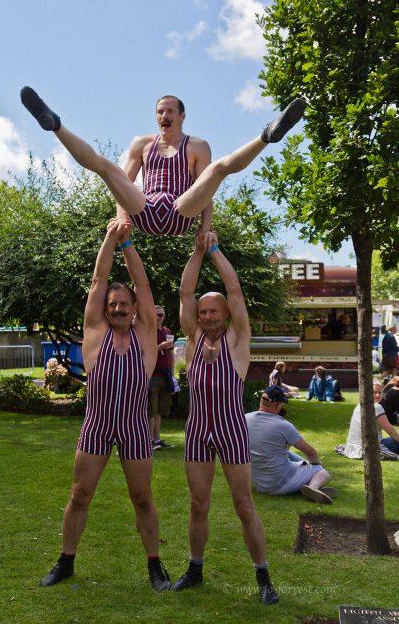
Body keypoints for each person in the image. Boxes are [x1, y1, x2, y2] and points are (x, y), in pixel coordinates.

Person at [40, 220, 171, 591]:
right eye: (112, 304)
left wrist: (128, 244)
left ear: (134, 309)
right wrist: (109, 239)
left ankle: (154, 566)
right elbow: (98, 282)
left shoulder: (146, 338)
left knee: (143, 497)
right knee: (79, 494)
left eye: (123, 304)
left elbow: (142, 285)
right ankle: (66, 562)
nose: (116, 308)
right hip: (96, 427)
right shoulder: (95, 336)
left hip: (133, 430)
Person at [21, 87, 305, 239]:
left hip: (180, 212)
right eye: (159, 111)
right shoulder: (141, 144)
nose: (163, 115)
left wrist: (205, 228)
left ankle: (267, 135)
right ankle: (55, 124)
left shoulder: (197, 146)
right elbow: (123, 182)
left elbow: (205, 192)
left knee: (218, 170)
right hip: (144, 209)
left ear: (182, 116)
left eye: (169, 111)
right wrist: (122, 217)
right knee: (105, 167)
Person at [174, 231, 279, 605]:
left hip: (232, 431)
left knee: (244, 505)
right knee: (198, 504)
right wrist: (196, 252)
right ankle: (195, 568)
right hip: (199, 432)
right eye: (203, 313)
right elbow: (185, 293)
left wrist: (215, 249)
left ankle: (263, 577)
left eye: (212, 312)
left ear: (224, 314)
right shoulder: (192, 338)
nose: (206, 317)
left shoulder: (238, 338)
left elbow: (234, 289)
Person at [246, 386, 335, 503]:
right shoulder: (283, 425)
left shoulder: (244, 419)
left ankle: (308, 478)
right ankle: (313, 486)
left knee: (286, 452)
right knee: (322, 472)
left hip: (260, 483)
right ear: (277, 405)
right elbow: (310, 452)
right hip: (280, 483)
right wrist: (316, 464)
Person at [336, 380, 399, 459]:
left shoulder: (359, 405)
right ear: (367, 392)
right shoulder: (376, 407)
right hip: (371, 448)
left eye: (380, 392)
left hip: (354, 448)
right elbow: (391, 431)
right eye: (374, 392)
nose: (377, 395)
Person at [148, 305, 174, 451]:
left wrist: (172, 374)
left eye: (161, 315)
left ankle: (157, 438)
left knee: (160, 411)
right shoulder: (148, 332)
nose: (159, 317)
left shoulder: (167, 331)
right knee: (152, 410)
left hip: (165, 375)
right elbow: (143, 352)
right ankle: (150, 440)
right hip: (152, 375)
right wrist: (160, 346)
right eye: (156, 314)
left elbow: (170, 354)